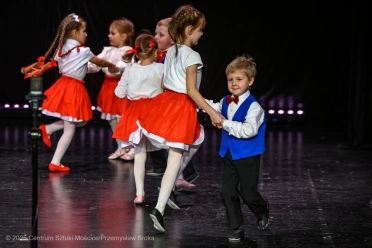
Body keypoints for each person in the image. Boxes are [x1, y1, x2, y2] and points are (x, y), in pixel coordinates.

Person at [135, 5, 225, 233]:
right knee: (176, 159)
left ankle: (166, 196)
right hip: (182, 107)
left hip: (167, 102)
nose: (201, 35)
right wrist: (212, 112)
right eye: (200, 30)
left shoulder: (173, 50)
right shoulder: (192, 55)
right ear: (190, 28)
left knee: (196, 140)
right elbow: (192, 90)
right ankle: (159, 207)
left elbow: (165, 83)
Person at [35, 13, 117, 171]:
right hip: (72, 88)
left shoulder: (62, 48)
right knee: (70, 128)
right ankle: (55, 162)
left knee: (82, 121)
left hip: (64, 85)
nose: (86, 34)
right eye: (84, 31)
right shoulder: (83, 51)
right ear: (74, 33)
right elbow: (98, 61)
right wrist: (110, 64)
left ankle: (49, 129)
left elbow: (73, 66)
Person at [204, 55, 270, 242]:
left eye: (239, 79)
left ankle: (262, 208)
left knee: (248, 194)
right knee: (227, 192)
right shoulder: (226, 101)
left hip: (247, 156)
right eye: (230, 79)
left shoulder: (254, 107)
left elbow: (249, 131)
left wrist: (224, 123)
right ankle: (237, 227)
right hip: (229, 153)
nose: (233, 83)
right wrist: (198, 100)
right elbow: (214, 108)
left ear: (250, 81)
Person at [147, 17, 199, 192]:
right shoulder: (163, 55)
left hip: (176, 103)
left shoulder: (178, 54)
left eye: (160, 34)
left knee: (184, 142)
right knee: (175, 143)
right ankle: (173, 179)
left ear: (173, 37)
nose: (155, 37)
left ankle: (178, 176)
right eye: (156, 33)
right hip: (165, 103)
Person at [112, 33, 164, 205]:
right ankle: (170, 187)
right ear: (155, 51)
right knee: (170, 147)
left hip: (135, 114)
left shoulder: (131, 69)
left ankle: (140, 193)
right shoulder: (161, 69)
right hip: (155, 112)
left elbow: (119, 93)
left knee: (140, 153)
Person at [87, 18, 135, 160]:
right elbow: (97, 63)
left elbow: (125, 64)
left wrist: (117, 68)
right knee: (112, 120)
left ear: (124, 36)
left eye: (113, 33)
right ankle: (121, 147)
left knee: (122, 119)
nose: (109, 36)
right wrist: (86, 66)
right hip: (108, 88)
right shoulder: (108, 50)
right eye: (109, 33)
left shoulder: (128, 51)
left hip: (121, 87)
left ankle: (131, 148)